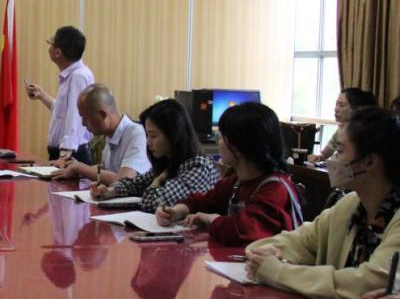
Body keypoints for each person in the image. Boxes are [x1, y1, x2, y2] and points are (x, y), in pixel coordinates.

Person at [246, 107, 400, 299]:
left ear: (369, 162)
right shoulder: (350, 205)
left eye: (340, 151)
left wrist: (278, 272)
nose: (331, 160)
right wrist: (269, 252)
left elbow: (371, 283)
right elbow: (301, 240)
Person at [157, 102, 302, 245]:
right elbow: (206, 201)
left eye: (221, 136)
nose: (218, 142)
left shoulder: (276, 189)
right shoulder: (236, 182)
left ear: (238, 148)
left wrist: (212, 220)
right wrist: (177, 211)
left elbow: (245, 230)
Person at [92, 98, 220, 211]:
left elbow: (154, 203)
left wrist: (156, 182)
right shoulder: (168, 160)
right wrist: (111, 191)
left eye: (153, 136)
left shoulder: (198, 167)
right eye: (147, 135)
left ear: (173, 135)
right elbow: (136, 184)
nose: (148, 142)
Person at [52, 83, 149, 184]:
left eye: (85, 117)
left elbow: (123, 180)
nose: (83, 123)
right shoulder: (111, 135)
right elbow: (105, 170)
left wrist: (82, 169)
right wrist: (75, 168)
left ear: (103, 114)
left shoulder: (136, 134)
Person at [25, 26, 94, 163]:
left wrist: (64, 156)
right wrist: (41, 95)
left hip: (71, 154)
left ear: (57, 52)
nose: (48, 47)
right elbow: (63, 111)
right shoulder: (73, 75)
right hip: (66, 153)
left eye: (50, 43)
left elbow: (75, 116)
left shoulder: (77, 76)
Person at [308, 88, 377, 162]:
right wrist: (319, 157)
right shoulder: (340, 129)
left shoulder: (364, 132)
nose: (336, 109)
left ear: (355, 109)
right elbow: (325, 154)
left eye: (341, 105)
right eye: (336, 104)